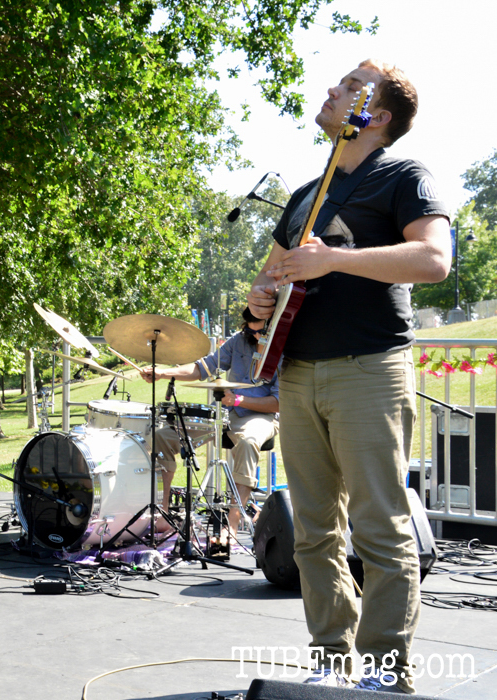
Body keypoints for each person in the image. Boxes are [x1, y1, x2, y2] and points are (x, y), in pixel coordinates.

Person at [247, 60, 450, 693]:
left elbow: (434, 260)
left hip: (371, 371)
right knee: (313, 533)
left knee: (380, 529)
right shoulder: (306, 195)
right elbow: (271, 277)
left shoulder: (405, 177)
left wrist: (334, 259)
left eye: (352, 86)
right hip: (298, 376)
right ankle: (331, 663)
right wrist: (259, 299)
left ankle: (386, 674)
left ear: (378, 116)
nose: (333, 90)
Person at [141, 308, 279, 538]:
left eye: (260, 332)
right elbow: (202, 368)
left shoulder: (284, 351)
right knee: (162, 437)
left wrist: (239, 400)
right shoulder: (238, 341)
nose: (255, 336)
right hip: (227, 413)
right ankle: (163, 516)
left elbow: (278, 403)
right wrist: (163, 373)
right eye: (250, 331)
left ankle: (232, 525)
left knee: (247, 442)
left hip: (261, 416)